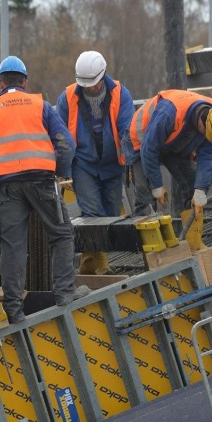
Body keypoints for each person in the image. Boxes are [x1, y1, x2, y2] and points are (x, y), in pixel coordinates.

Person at [0, 56, 90, 324]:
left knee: (13, 246)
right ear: (25, 81)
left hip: (6, 186)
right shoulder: (40, 105)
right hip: (42, 181)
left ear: (0, 82)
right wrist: (58, 171)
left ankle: (13, 308)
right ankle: (64, 294)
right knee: (61, 234)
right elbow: (66, 145)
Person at [55, 51, 134, 275]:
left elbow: (128, 129)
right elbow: (59, 132)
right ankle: (102, 266)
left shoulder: (120, 94)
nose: (90, 88)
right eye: (86, 84)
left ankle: (89, 263)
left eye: (94, 84)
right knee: (91, 213)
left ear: (103, 75)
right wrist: (61, 166)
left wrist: (130, 162)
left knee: (109, 214)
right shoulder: (68, 97)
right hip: (84, 164)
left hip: (112, 163)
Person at [127, 90, 212, 220]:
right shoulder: (168, 114)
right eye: (209, 135)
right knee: (145, 196)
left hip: (172, 143)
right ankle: (147, 237)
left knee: (192, 185)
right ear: (203, 123)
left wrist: (200, 190)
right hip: (140, 141)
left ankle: (190, 235)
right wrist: (157, 186)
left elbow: (208, 157)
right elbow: (148, 150)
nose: (208, 139)